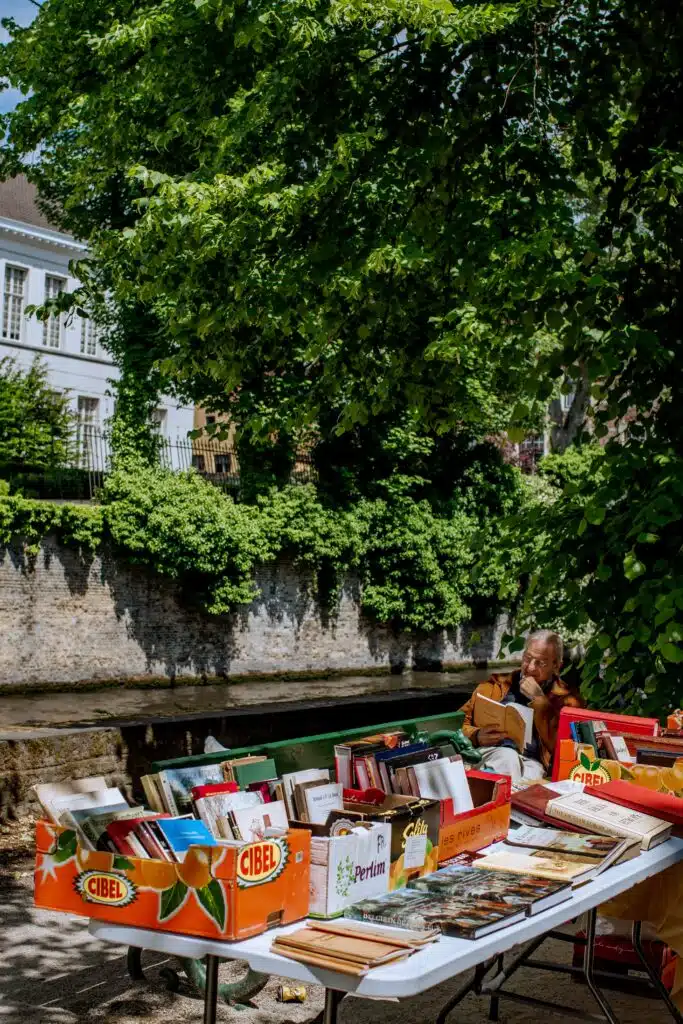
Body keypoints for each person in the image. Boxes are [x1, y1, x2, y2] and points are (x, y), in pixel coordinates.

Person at [458, 630, 583, 782]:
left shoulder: (568, 699)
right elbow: (455, 725)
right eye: (527, 658)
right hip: (489, 753)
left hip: (533, 764)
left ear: (556, 665)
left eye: (540, 663)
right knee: (507, 758)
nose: (530, 668)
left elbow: (568, 750)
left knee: (526, 775)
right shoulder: (494, 685)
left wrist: (539, 700)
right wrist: (476, 735)